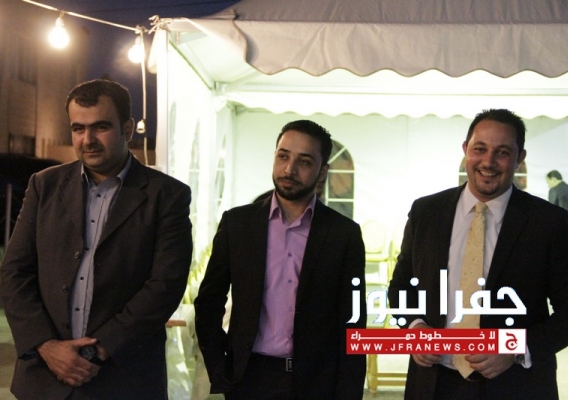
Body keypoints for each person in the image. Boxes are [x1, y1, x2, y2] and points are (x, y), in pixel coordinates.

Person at [0, 79, 193, 399]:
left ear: (127, 129)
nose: (87, 140)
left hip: (123, 379)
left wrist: (96, 351)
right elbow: (14, 272)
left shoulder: (167, 195)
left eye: (100, 127)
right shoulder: (44, 186)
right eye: (78, 128)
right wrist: (47, 347)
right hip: (44, 380)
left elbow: (165, 285)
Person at [388, 109, 568, 400]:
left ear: (520, 158)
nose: (488, 162)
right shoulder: (426, 212)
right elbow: (401, 287)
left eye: (502, 153)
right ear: (465, 149)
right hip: (433, 384)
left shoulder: (547, 222)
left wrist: (515, 348)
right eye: (480, 149)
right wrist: (415, 327)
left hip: (516, 386)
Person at [195, 119, 366, 399]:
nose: (289, 169)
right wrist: (220, 368)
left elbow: (353, 320)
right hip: (248, 381)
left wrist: (348, 391)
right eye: (283, 156)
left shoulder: (343, 234)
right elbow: (209, 302)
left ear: (322, 171)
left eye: (304, 162)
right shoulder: (238, 224)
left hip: (316, 384)